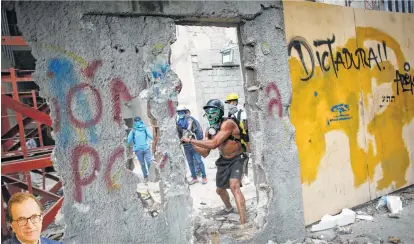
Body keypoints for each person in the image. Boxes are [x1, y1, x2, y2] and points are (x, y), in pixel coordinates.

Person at [181, 99, 247, 224]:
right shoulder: (209, 130)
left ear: (220, 112)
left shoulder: (228, 124)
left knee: (234, 186)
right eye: (208, 112)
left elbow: (213, 144)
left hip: (237, 158)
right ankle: (229, 208)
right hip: (224, 160)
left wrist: (190, 141)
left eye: (213, 112)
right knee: (220, 190)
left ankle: (244, 224)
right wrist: (192, 141)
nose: (210, 115)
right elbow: (205, 153)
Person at [176, 106, 207, 185]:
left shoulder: (190, 120)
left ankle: (204, 177)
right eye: (178, 112)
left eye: (181, 112)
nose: (180, 114)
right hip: (186, 146)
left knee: (199, 161)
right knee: (190, 162)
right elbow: (179, 134)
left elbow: (192, 130)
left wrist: (199, 142)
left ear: (185, 112)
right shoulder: (179, 122)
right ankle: (194, 178)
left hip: (194, 144)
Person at [225, 93, 251, 178]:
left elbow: (246, 127)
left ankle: (245, 175)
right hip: (234, 141)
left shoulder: (242, 113)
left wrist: (247, 142)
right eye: (228, 103)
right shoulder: (230, 114)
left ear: (235, 102)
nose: (229, 105)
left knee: (245, 157)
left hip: (242, 140)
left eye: (230, 102)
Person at [128, 116, 153, 183]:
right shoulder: (133, 130)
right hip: (138, 150)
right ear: (134, 122)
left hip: (146, 148)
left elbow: (150, 135)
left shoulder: (144, 128)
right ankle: (145, 176)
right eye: (136, 121)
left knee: (149, 162)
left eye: (138, 120)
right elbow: (129, 139)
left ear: (140, 120)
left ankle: (151, 175)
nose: (137, 122)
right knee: (142, 164)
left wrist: (154, 139)